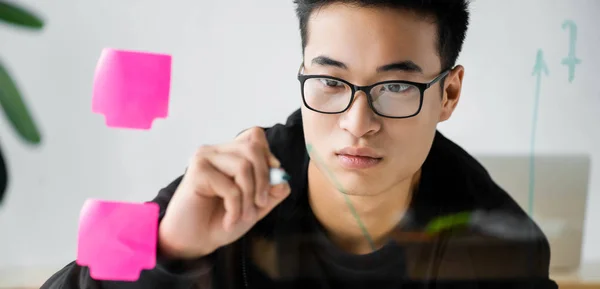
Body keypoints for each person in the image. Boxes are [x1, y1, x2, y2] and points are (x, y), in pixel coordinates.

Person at [42, 1, 559, 288]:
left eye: (396, 87)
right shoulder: (229, 186)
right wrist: (170, 251)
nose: (358, 123)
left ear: (448, 93)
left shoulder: (502, 249)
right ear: (304, 74)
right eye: (332, 82)